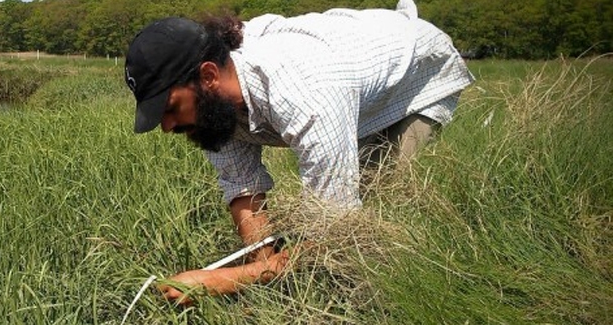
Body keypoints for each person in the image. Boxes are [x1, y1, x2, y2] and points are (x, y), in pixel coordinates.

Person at [123, 0, 473, 304]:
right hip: (350, 73)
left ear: (209, 76)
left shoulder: (305, 90)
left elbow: (335, 227)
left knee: (376, 206)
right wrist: (262, 264)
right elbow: (242, 187)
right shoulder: (213, 106)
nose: (167, 126)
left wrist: (225, 280)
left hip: (417, 75)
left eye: (170, 109)